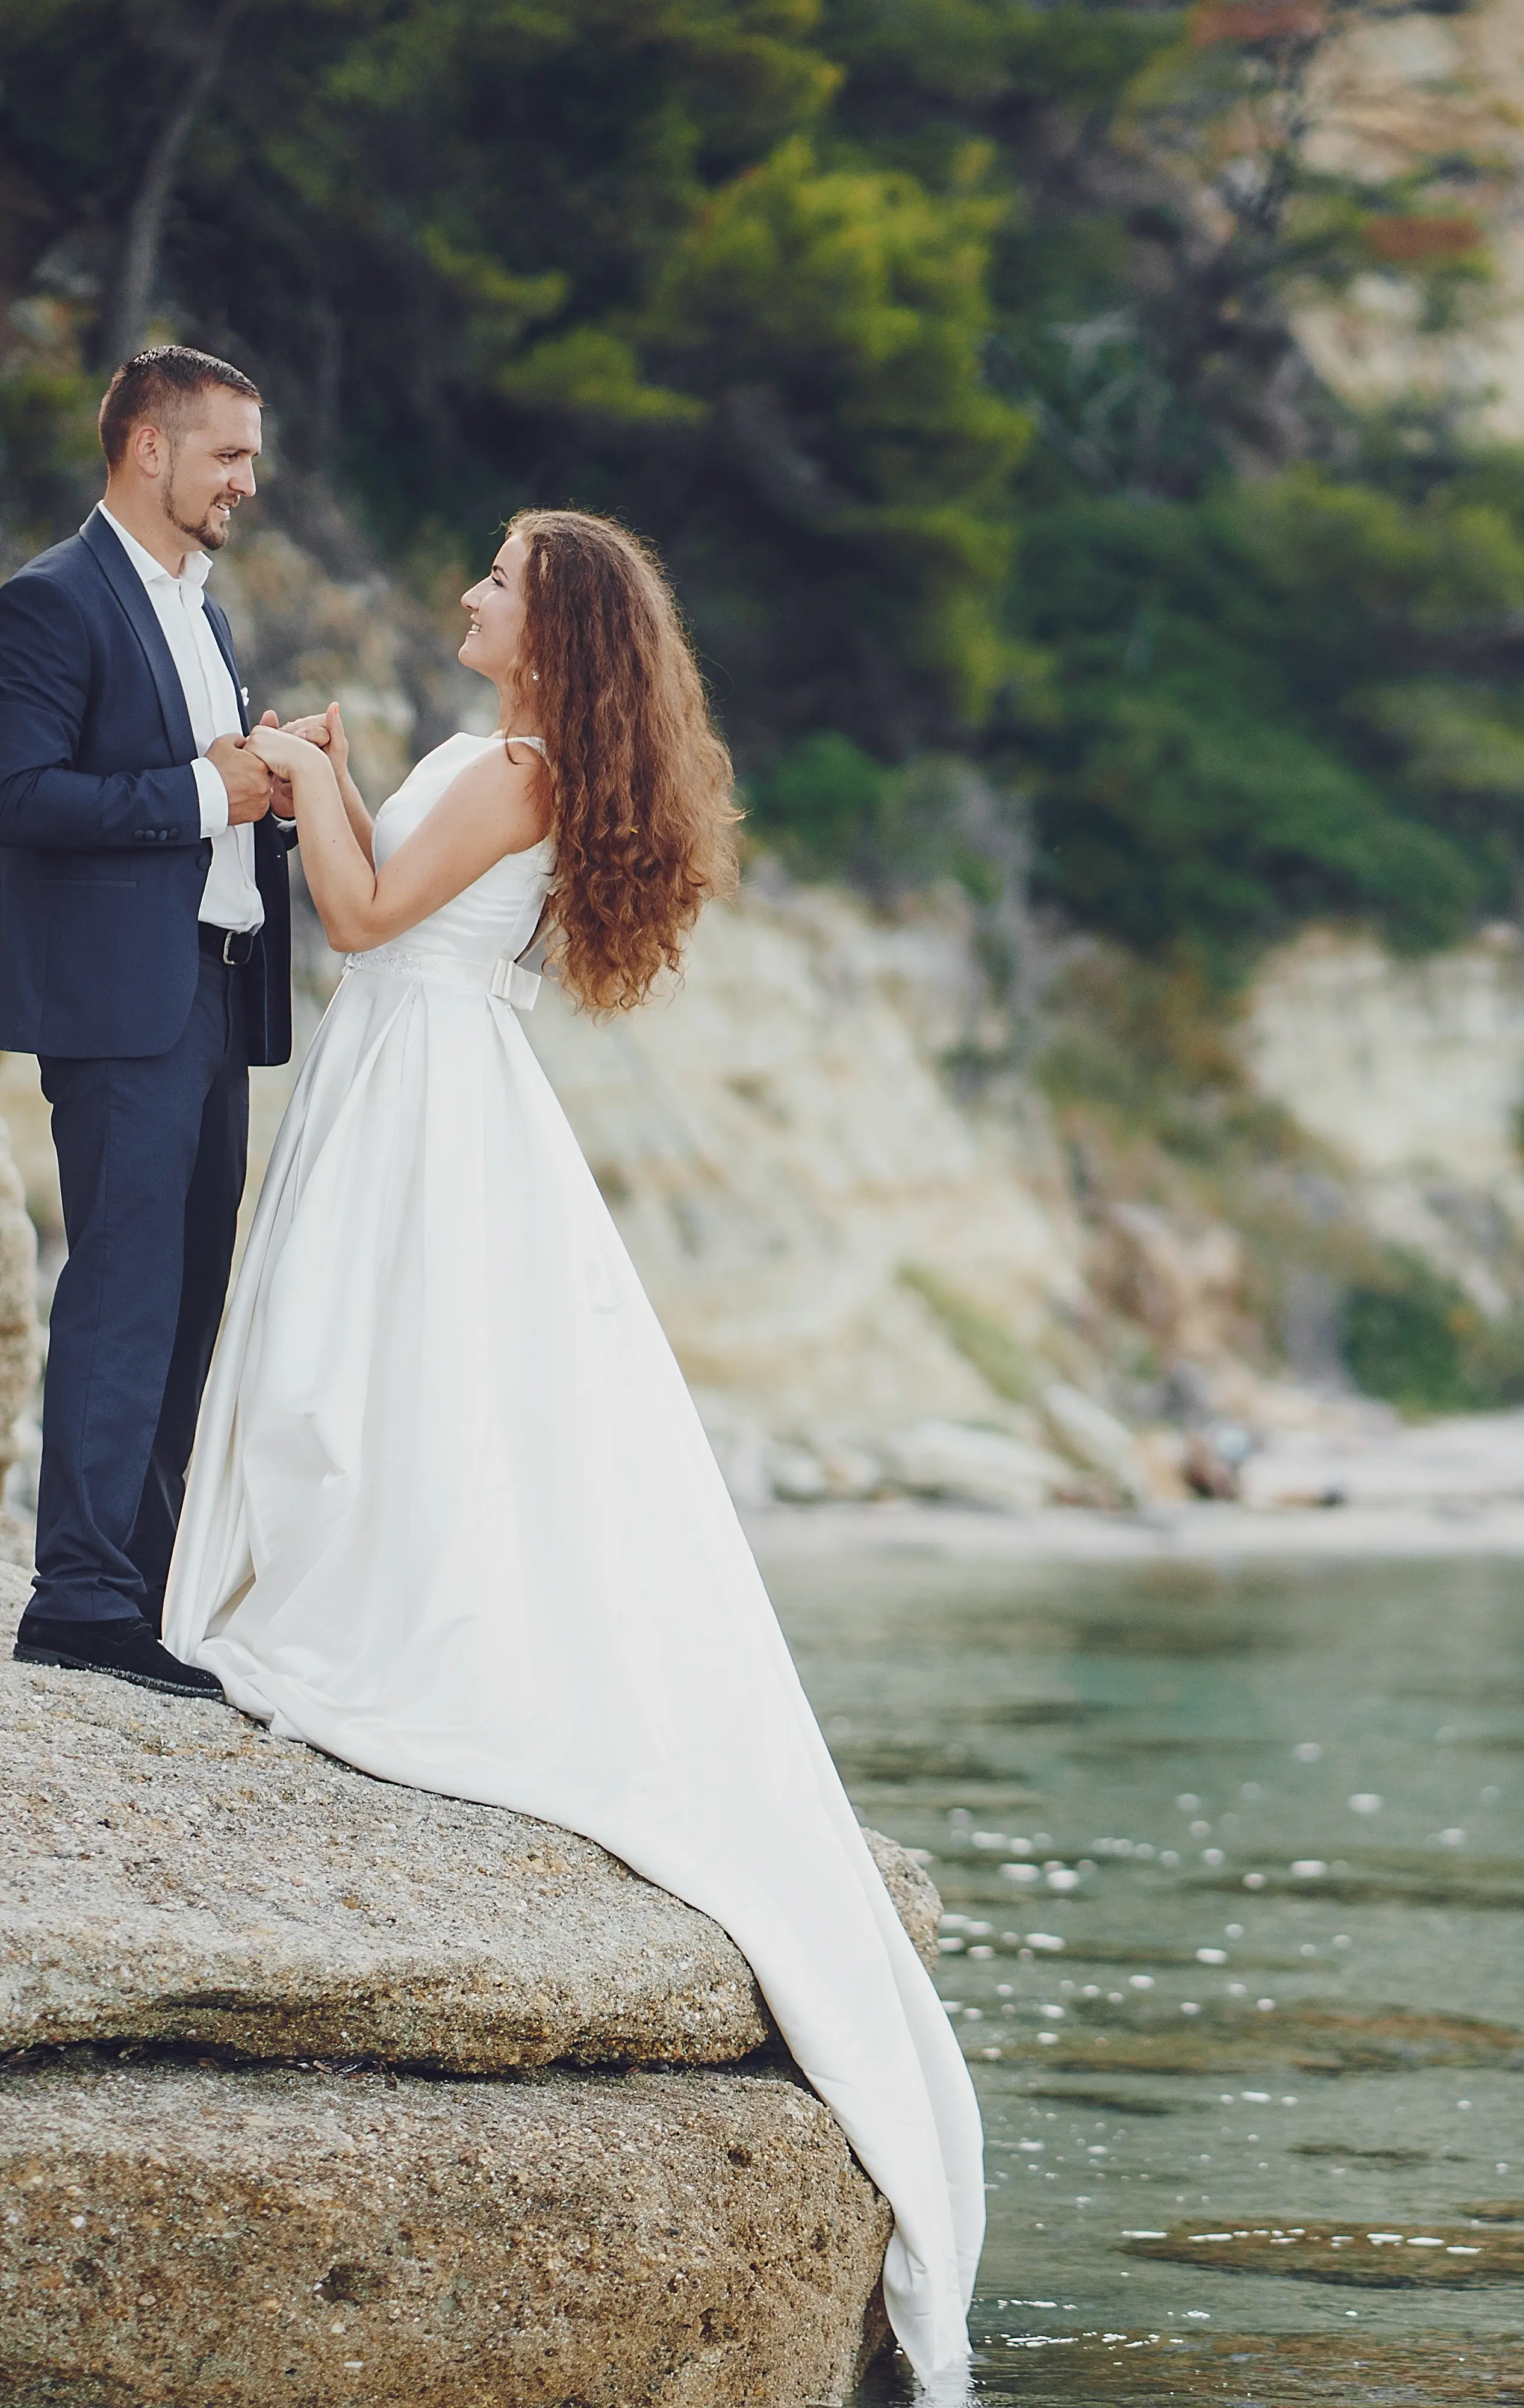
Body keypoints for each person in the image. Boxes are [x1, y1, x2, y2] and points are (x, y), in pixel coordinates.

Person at [161, 511, 983, 2394]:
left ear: (554, 625)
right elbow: (385, 911)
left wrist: (299, 781)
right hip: (426, 1069)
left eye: (500, 578)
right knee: (409, 1378)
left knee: (399, 1375)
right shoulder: (520, 759)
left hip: (428, 1074)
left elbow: (364, 922)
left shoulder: (518, 760)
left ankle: (365, 1600)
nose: (468, 594)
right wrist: (342, 787)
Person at [0, 346, 291, 1698]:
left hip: (212, 987)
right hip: (117, 1000)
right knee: (124, 1283)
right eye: (229, 455)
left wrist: (274, 768)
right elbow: (22, 798)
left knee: (192, 1286)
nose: (247, 484)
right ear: (149, 448)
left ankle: (141, 1585)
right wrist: (215, 794)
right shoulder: (50, 602)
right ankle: (80, 1598)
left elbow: (197, 780)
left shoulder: (201, 611)